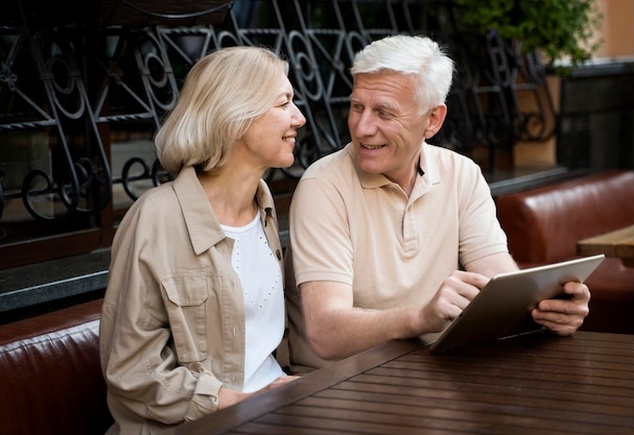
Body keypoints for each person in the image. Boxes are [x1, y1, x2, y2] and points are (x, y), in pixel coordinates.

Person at [284, 34, 591, 371]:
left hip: (432, 373)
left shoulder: (461, 173)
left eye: (384, 112)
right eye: (357, 106)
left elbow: (499, 280)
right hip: (336, 388)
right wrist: (420, 317)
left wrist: (550, 309)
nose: (362, 127)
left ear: (432, 120)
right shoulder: (322, 185)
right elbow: (326, 334)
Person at [99, 46, 306, 433]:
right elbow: (132, 371)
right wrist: (243, 403)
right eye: (284, 103)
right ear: (235, 116)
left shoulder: (263, 207)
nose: (299, 117)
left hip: (275, 411)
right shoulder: (155, 220)